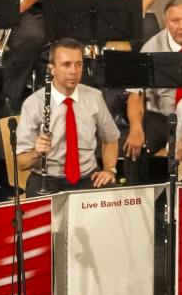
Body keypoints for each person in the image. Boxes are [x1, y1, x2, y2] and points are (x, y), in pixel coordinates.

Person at [15, 40, 120, 194]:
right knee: (40, 205)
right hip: (47, 179)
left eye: (78, 64)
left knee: (117, 199)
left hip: (88, 178)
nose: (74, 71)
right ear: (52, 69)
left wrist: (109, 170)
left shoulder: (95, 97)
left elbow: (111, 138)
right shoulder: (33, 104)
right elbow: (21, 163)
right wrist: (37, 152)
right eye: (66, 65)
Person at [124, 0, 182, 164]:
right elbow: (135, 94)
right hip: (162, 118)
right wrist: (136, 129)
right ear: (166, 22)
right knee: (133, 153)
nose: (181, 26)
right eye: (175, 21)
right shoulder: (151, 47)